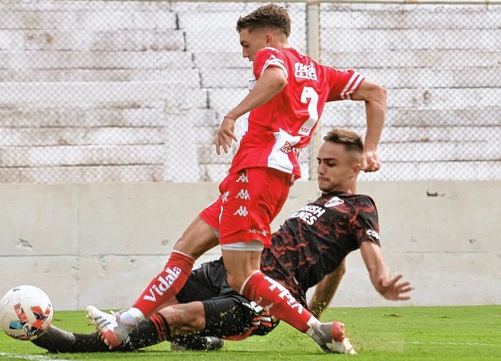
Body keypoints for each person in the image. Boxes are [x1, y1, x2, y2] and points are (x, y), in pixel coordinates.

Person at [87, 3, 388, 354]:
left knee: (242, 277)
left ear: (269, 38)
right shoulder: (320, 73)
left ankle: (320, 330)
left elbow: (276, 78)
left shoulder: (271, 56)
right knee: (185, 248)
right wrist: (371, 149)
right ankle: (126, 322)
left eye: (247, 45)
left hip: (259, 172)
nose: (246, 54)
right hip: (257, 175)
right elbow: (376, 93)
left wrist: (232, 115)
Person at [39, 129, 411, 354]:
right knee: (167, 295)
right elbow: (337, 266)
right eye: (319, 160)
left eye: (331, 163)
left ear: (357, 165)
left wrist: (382, 280)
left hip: (265, 296)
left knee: (175, 316)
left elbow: (369, 256)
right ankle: (194, 339)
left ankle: (82, 344)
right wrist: (316, 311)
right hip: (235, 269)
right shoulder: (321, 202)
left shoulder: (361, 208)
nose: (321, 168)